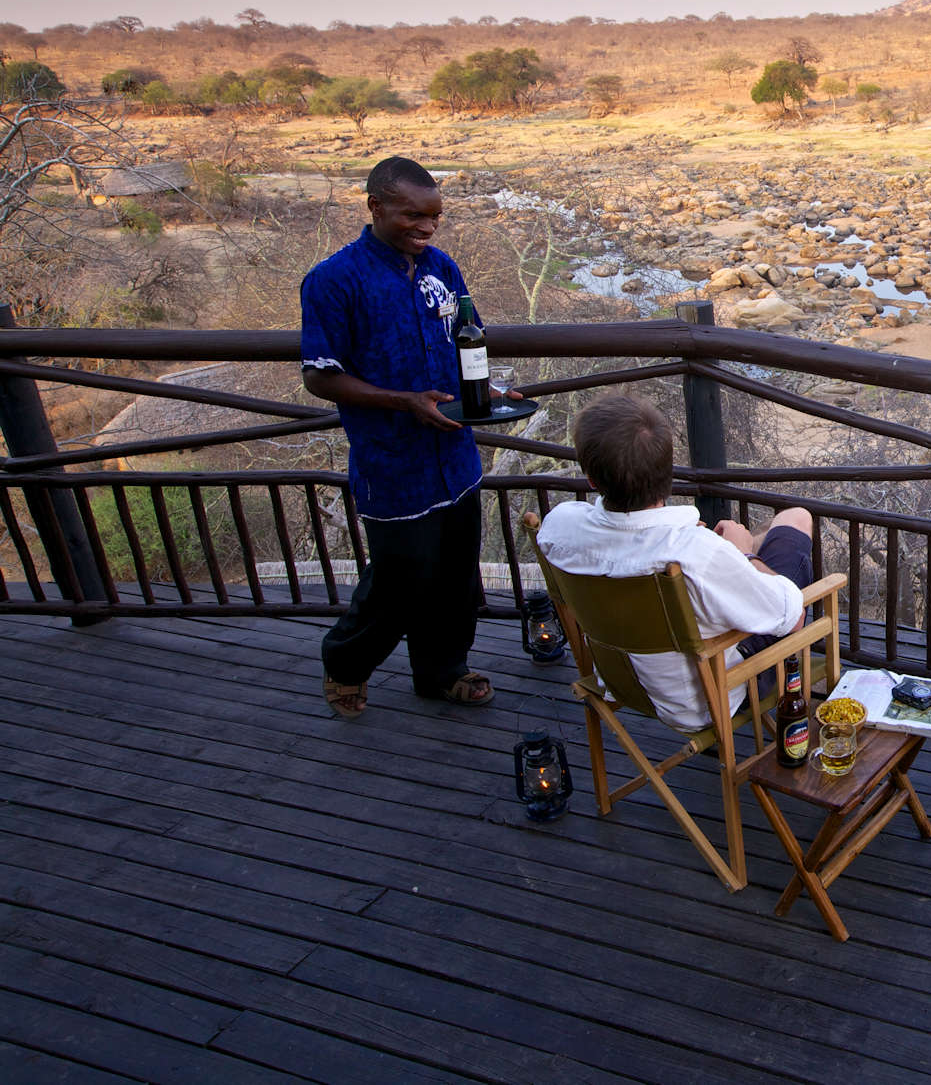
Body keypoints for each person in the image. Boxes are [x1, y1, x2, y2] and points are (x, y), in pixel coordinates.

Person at [301, 156, 514, 718]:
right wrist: (402, 402)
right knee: (399, 578)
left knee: (455, 576)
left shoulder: (443, 267)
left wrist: (490, 394)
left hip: (456, 456)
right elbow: (319, 375)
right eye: (412, 216)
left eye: (435, 216)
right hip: (392, 463)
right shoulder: (333, 280)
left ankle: (442, 671)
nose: (426, 227)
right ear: (375, 207)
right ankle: (345, 663)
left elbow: (465, 346)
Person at [533, 394, 814, 732]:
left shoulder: (559, 527)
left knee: (759, 541)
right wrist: (744, 556)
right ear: (667, 473)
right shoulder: (694, 554)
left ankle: (747, 553)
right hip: (706, 701)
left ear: (592, 480)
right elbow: (793, 617)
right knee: (796, 519)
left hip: (619, 681)